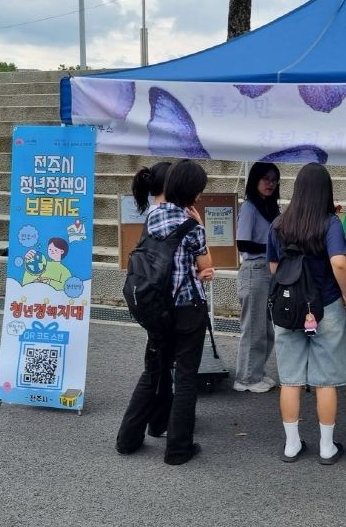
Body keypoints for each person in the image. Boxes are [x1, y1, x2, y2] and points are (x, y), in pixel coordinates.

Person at [116, 159, 215, 465]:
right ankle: (178, 450)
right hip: (188, 310)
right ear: (192, 191)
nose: (200, 194)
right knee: (185, 378)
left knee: (153, 371)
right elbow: (207, 266)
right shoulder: (191, 226)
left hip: (158, 309)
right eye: (199, 189)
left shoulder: (153, 215)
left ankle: (127, 440)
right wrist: (200, 226)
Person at [267, 162, 346, 464]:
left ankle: (291, 444)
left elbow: (274, 268)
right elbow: (339, 262)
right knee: (325, 380)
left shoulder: (279, 224)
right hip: (325, 306)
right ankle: (327, 447)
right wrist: (345, 294)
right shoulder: (330, 223)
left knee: (290, 379)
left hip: (288, 308)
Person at [128, 161, 172, 439]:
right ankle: (132, 433)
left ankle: (158, 421)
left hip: (151, 298)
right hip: (160, 301)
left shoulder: (155, 212)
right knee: (156, 369)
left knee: (159, 365)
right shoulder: (162, 215)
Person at [233, 162, 281, 393]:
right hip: (254, 269)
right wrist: (272, 248)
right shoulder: (250, 208)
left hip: (268, 271)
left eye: (274, 179)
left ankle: (256, 372)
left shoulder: (272, 208)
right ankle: (246, 379)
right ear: (255, 180)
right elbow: (243, 243)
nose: (270, 183)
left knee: (266, 329)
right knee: (254, 328)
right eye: (265, 179)